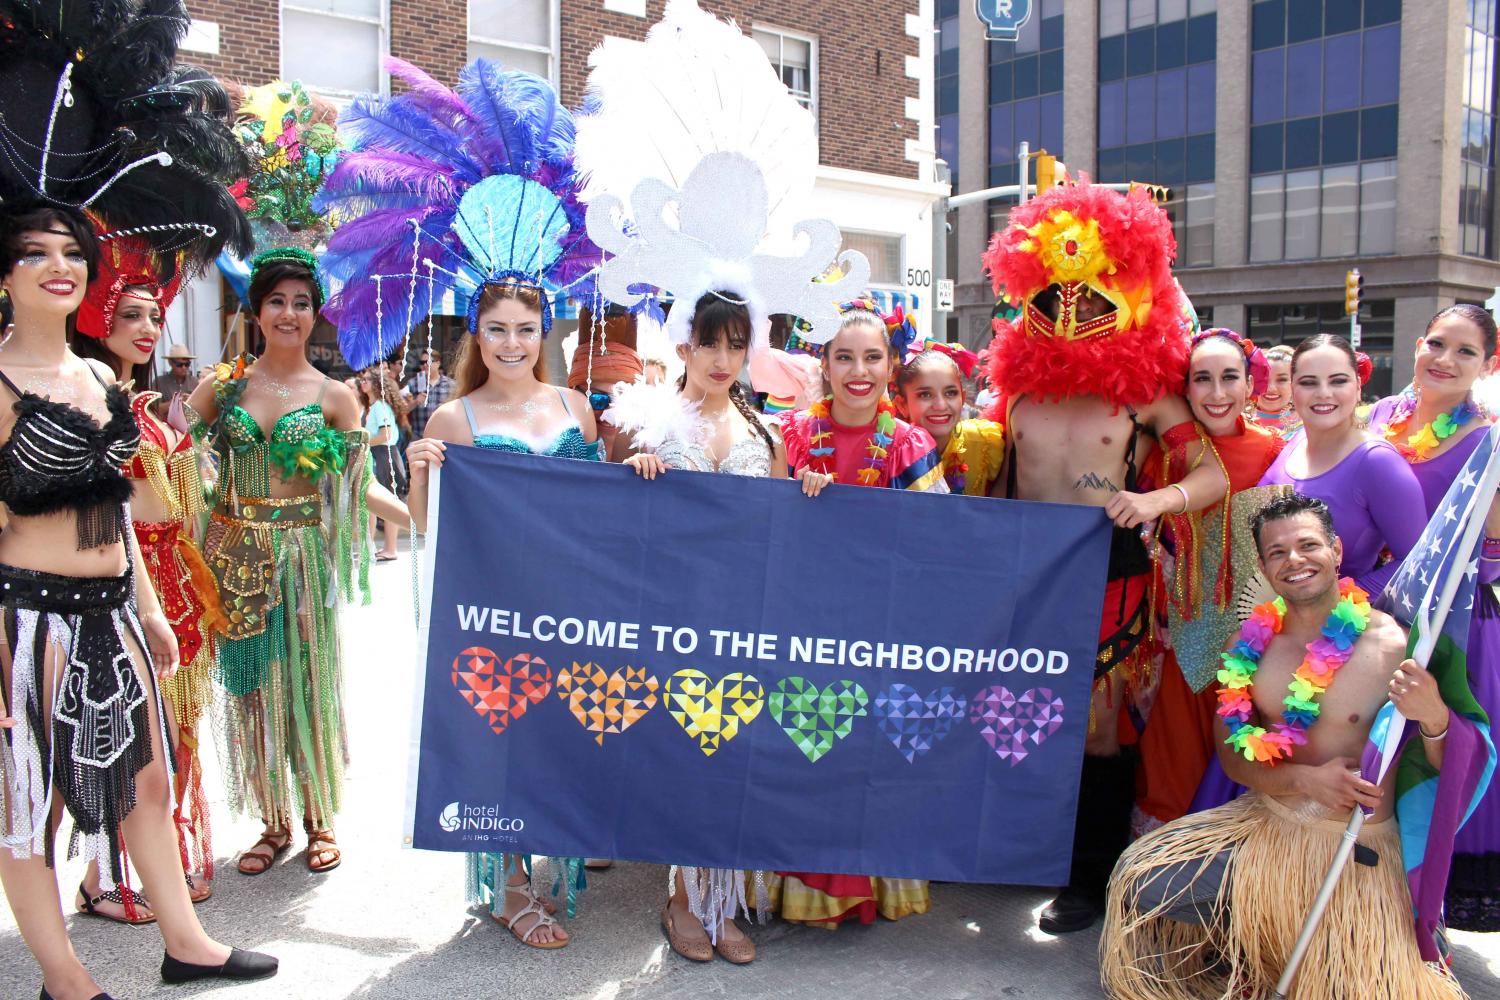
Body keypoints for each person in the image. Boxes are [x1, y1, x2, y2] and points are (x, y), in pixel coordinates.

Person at [318, 53, 605, 948]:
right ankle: (512, 882)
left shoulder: (575, 408)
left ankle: (557, 855)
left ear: (544, 332)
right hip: (497, 608)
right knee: (506, 740)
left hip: (569, 601)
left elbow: (597, 518)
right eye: (498, 331)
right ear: (475, 335)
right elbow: (434, 533)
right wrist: (426, 467)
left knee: (561, 738)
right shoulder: (454, 413)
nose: (513, 342)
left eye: (527, 330)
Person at [0, 204, 275, 998]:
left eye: (71, 252)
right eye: (34, 252)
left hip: (114, 612)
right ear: (4, 274)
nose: (60, 265)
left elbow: (118, 509)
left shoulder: (93, 377)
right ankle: (64, 977)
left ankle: (186, 944)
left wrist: (150, 607)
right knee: (32, 800)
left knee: (146, 783)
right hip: (29, 622)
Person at [1102, 493, 1475, 1000]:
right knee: (1142, 876)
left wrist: (1434, 717)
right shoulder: (1247, 648)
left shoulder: (1396, 644)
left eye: (1307, 545)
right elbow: (1234, 756)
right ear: (1263, 565)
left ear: (1336, 550)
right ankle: (1252, 940)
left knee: (1350, 987)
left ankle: (1302, 951)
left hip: (1356, 852)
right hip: (1268, 830)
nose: (1294, 560)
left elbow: (1453, 772)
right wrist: (1304, 778)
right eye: (1277, 553)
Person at [978, 180, 1227, 933]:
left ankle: (1088, 882)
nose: (1075, 303)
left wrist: (1153, 503)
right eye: (1058, 287)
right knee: (1017, 714)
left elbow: (1211, 474)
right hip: (1024, 577)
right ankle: (1020, 855)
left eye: (1095, 287)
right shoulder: (1016, 395)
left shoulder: (1144, 397)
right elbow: (996, 487)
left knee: (1095, 729)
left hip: (1108, 577)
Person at [186, 248, 402, 878]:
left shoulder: (335, 396)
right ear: (257, 311)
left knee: (309, 683)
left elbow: (358, 485)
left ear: (315, 315)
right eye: (277, 301)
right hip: (234, 557)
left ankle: (318, 818)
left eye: (301, 303)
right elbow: (178, 462)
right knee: (253, 692)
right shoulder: (222, 386)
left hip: (303, 561)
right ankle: (272, 821)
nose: (289, 313)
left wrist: (428, 516)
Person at [608, 293, 789, 963]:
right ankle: (683, 900)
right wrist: (633, 478)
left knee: (734, 756)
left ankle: (724, 901)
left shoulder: (767, 436)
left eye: (735, 344)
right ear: (682, 347)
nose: (721, 359)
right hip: (670, 617)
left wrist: (813, 494)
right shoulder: (646, 423)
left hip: (742, 620)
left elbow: (782, 534)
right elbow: (615, 528)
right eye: (708, 343)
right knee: (682, 756)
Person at [768, 304, 944, 928]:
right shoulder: (786, 435)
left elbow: (935, 543)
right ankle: (793, 881)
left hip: (878, 625)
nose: (858, 370)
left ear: (892, 366)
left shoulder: (908, 443)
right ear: (824, 364)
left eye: (872, 357)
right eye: (844, 356)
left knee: (862, 758)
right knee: (801, 750)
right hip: (797, 621)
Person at [72, 226, 229, 914]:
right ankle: (99, 874)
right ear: (95, 318)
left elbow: (186, 507)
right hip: (121, 583)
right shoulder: (90, 400)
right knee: (120, 733)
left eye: (153, 315)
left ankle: (160, 858)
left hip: (178, 581)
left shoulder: (147, 406)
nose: (146, 327)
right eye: (128, 314)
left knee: (177, 731)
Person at [1367, 304, 1500, 931]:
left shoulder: (1488, 439)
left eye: (1465, 352)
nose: (1444, 361)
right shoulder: (1379, 416)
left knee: (1427, 753)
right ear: (1418, 344)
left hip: (1450, 626)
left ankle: (1420, 907)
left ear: (1489, 365)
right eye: (1437, 344)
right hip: (1367, 614)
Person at [1134, 330, 1284, 834]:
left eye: (1228, 378)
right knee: (1169, 760)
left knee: (1239, 762)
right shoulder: (1162, 453)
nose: (1216, 393)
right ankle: (1158, 882)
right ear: (1186, 389)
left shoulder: (1274, 452)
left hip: (1251, 642)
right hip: (1176, 639)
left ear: (1250, 386)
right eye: (1203, 379)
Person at [893, 338, 1003, 495]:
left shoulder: (987, 442)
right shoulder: (887, 454)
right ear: (902, 405)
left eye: (950, 393)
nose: (940, 405)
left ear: (963, 398)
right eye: (925, 394)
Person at [357, 369, 405, 561]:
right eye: (362, 379)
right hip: (379, 455)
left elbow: (385, 436)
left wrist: (363, 442)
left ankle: (391, 548)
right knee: (378, 503)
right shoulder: (374, 407)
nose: (363, 382)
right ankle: (383, 547)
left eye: (367, 379)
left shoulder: (380, 407)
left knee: (389, 502)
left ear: (377, 383)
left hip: (386, 456)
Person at [1250, 343, 1299, 438]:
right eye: (1264, 379)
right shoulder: (1238, 424)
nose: (1270, 388)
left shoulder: (1306, 429)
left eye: (1282, 380)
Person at [408, 348, 456, 439]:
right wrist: (415, 402)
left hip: (444, 436)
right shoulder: (413, 384)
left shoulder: (451, 385)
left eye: (428, 362)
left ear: (438, 363)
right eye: (422, 363)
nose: (425, 365)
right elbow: (402, 411)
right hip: (419, 436)